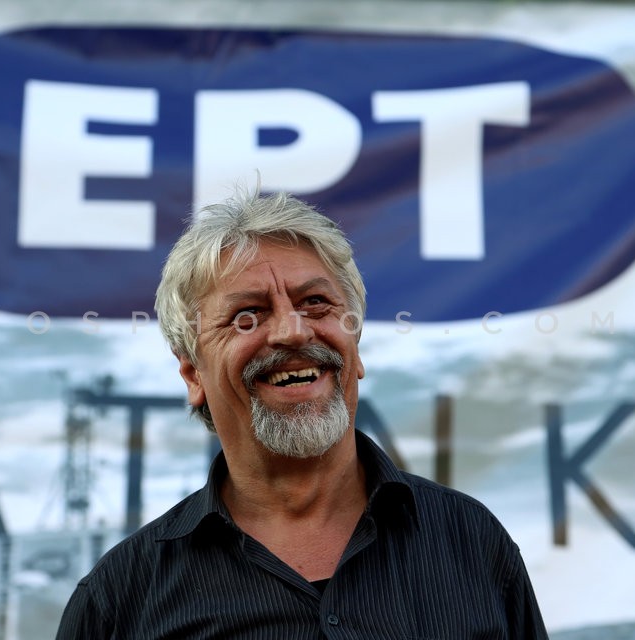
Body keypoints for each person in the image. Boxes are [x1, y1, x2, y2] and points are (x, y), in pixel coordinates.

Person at [56, 187, 548, 639]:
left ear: (356, 348)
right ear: (193, 376)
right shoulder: (120, 600)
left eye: (315, 303)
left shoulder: (472, 542)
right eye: (247, 315)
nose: (292, 331)